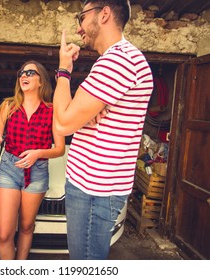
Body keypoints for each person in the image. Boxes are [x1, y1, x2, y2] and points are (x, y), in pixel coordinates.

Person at [53, 0, 153, 259]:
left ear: (105, 14)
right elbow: (74, 115)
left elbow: (63, 123)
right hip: (95, 186)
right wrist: (83, 114)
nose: (79, 29)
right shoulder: (121, 60)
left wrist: (64, 69)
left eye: (81, 17)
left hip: (93, 191)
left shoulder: (117, 61)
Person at [0, 61, 65, 260]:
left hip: (37, 171)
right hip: (9, 168)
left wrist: (37, 153)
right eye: (22, 72)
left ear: (41, 81)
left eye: (31, 72)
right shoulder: (8, 107)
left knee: (25, 226)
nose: (24, 75)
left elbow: (59, 149)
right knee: (5, 233)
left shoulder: (52, 111)